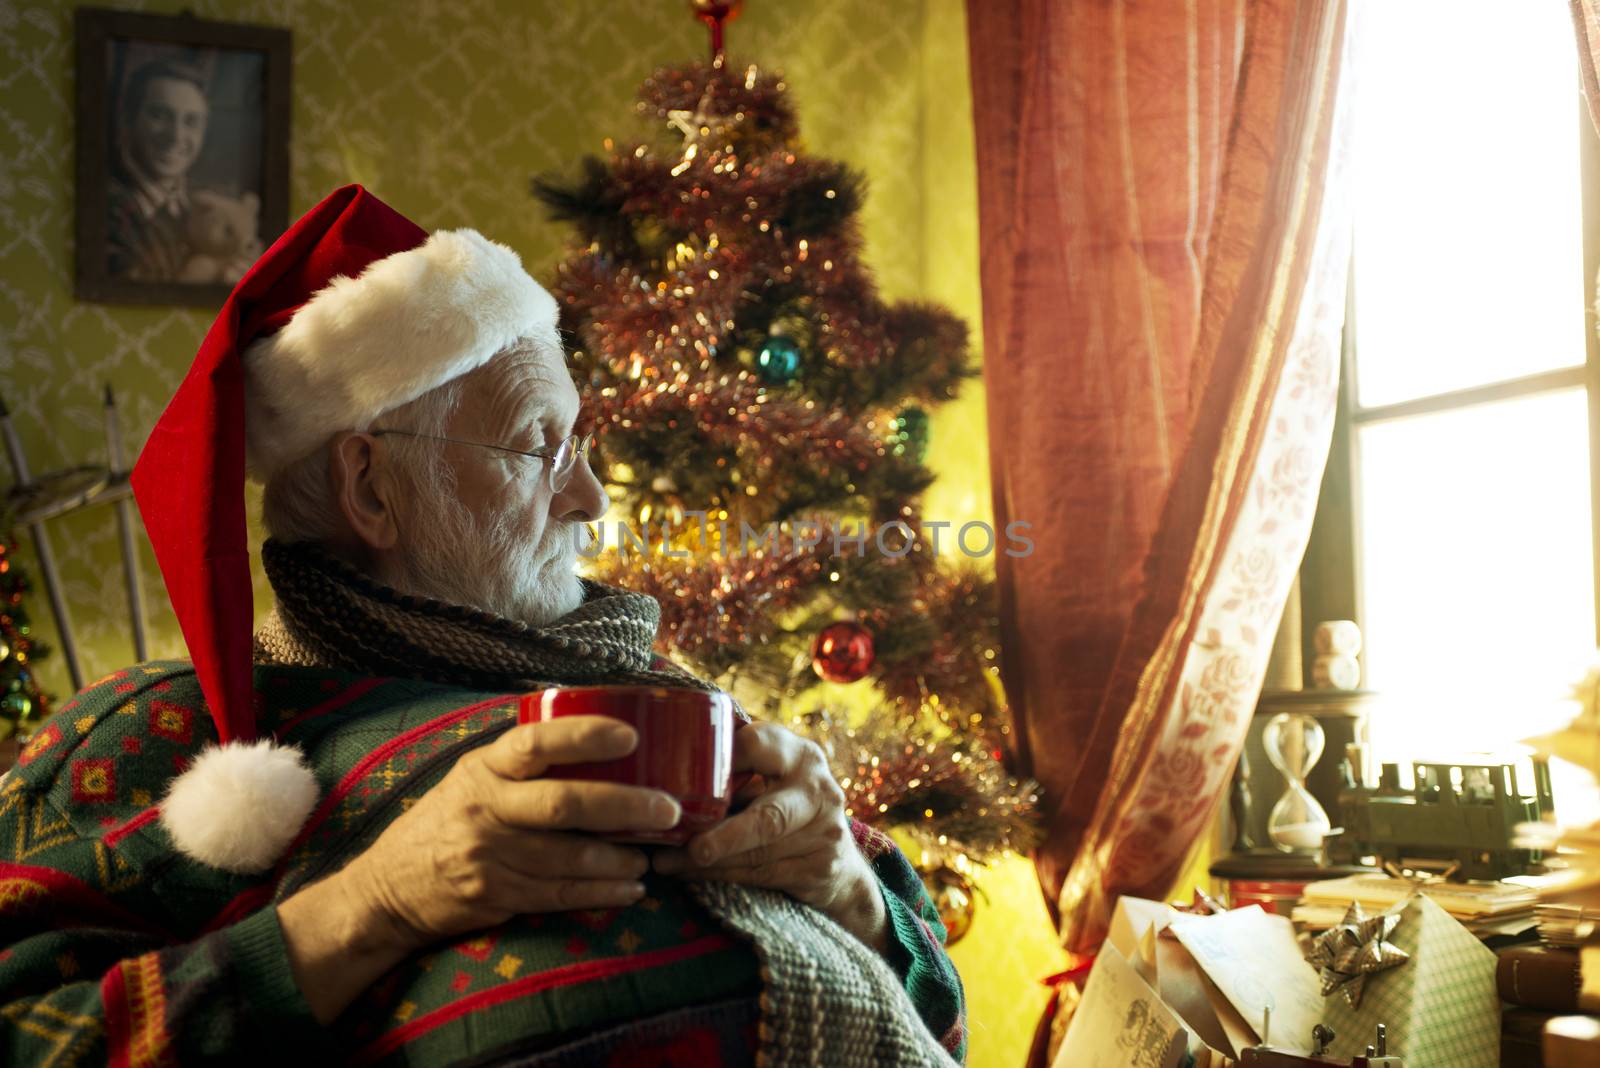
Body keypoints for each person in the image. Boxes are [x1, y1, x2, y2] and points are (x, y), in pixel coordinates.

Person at [0, 186, 965, 1065]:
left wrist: (855, 893)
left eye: (580, 446)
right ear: (371, 486)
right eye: (539, 445)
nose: (589, 496)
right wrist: (375, 903)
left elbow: (947, 1022)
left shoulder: (672, 701)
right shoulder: (159, 736)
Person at [106, 59, 210, 281]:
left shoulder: (204, 206)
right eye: (160, 115)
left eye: (191, 121)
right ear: (129, 119)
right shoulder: (106, 207)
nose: (175, 137)